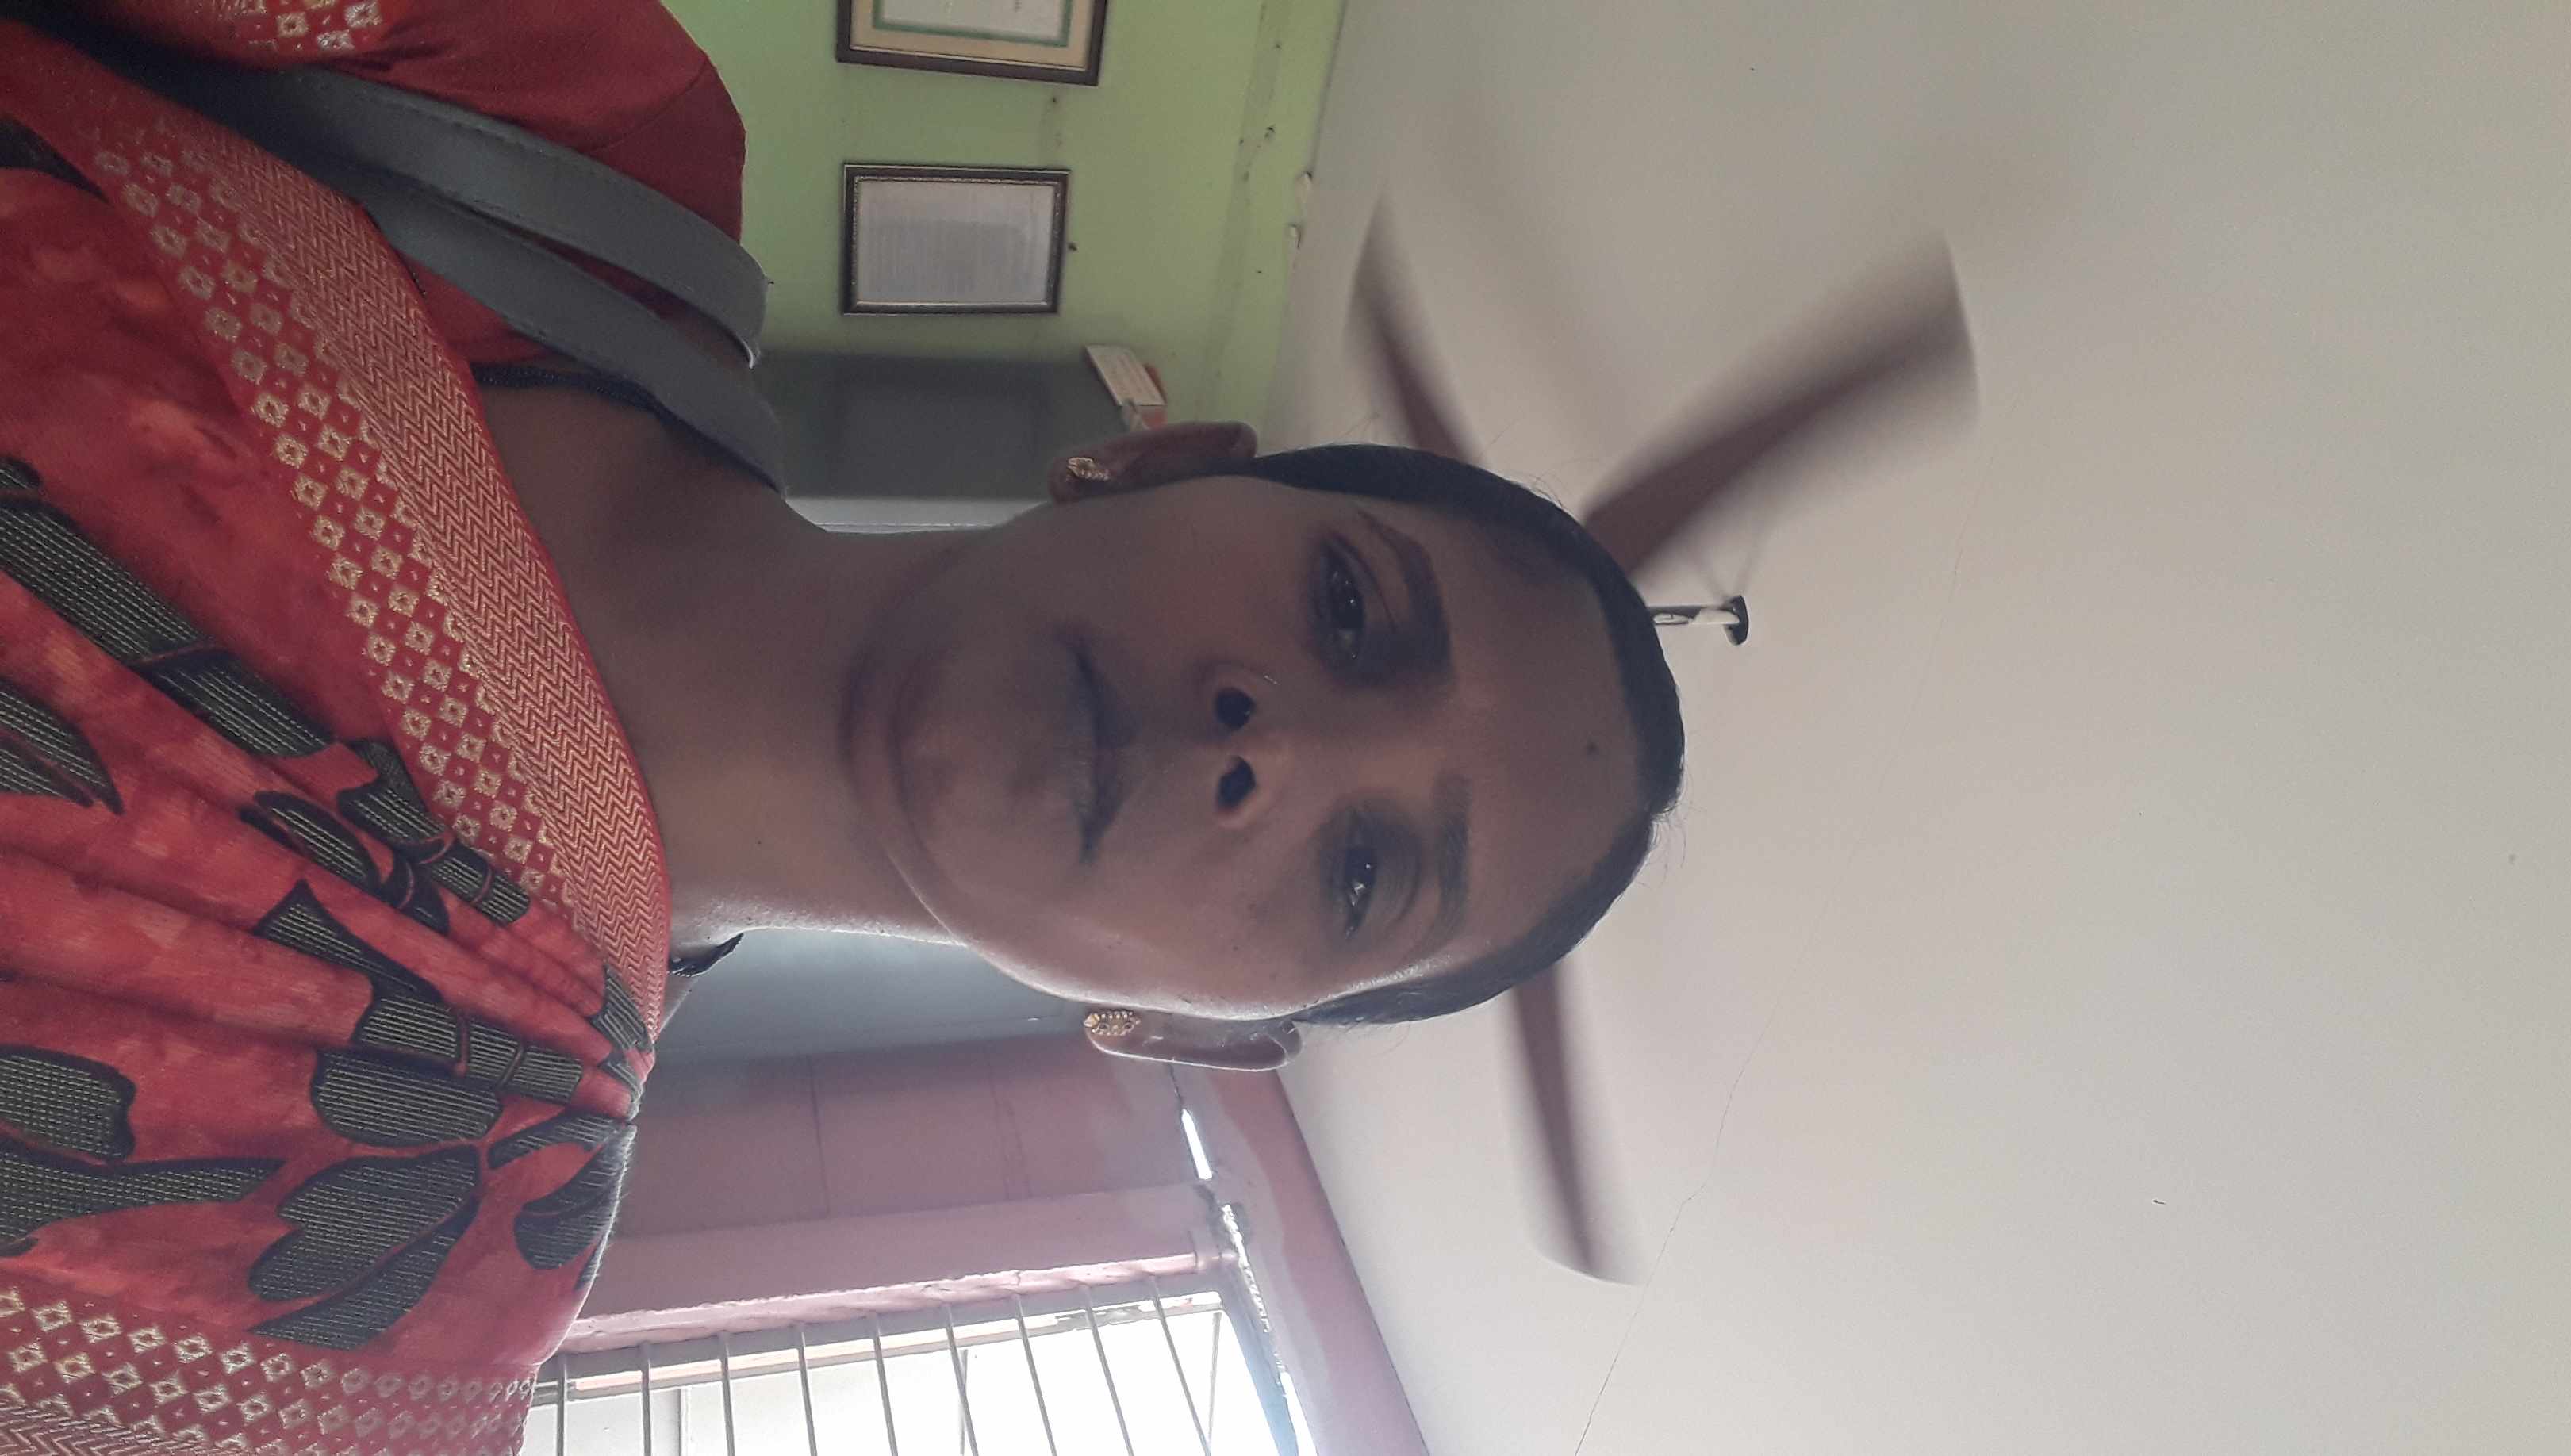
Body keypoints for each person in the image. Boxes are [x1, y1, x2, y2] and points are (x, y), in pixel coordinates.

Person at [0, 2, 1710, 1450]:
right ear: (1160, 460)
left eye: (1362, 876)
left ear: (1196, 1033)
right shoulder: (566, 125)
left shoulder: (376, 1321)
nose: (1275, 751)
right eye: (1347, 607)